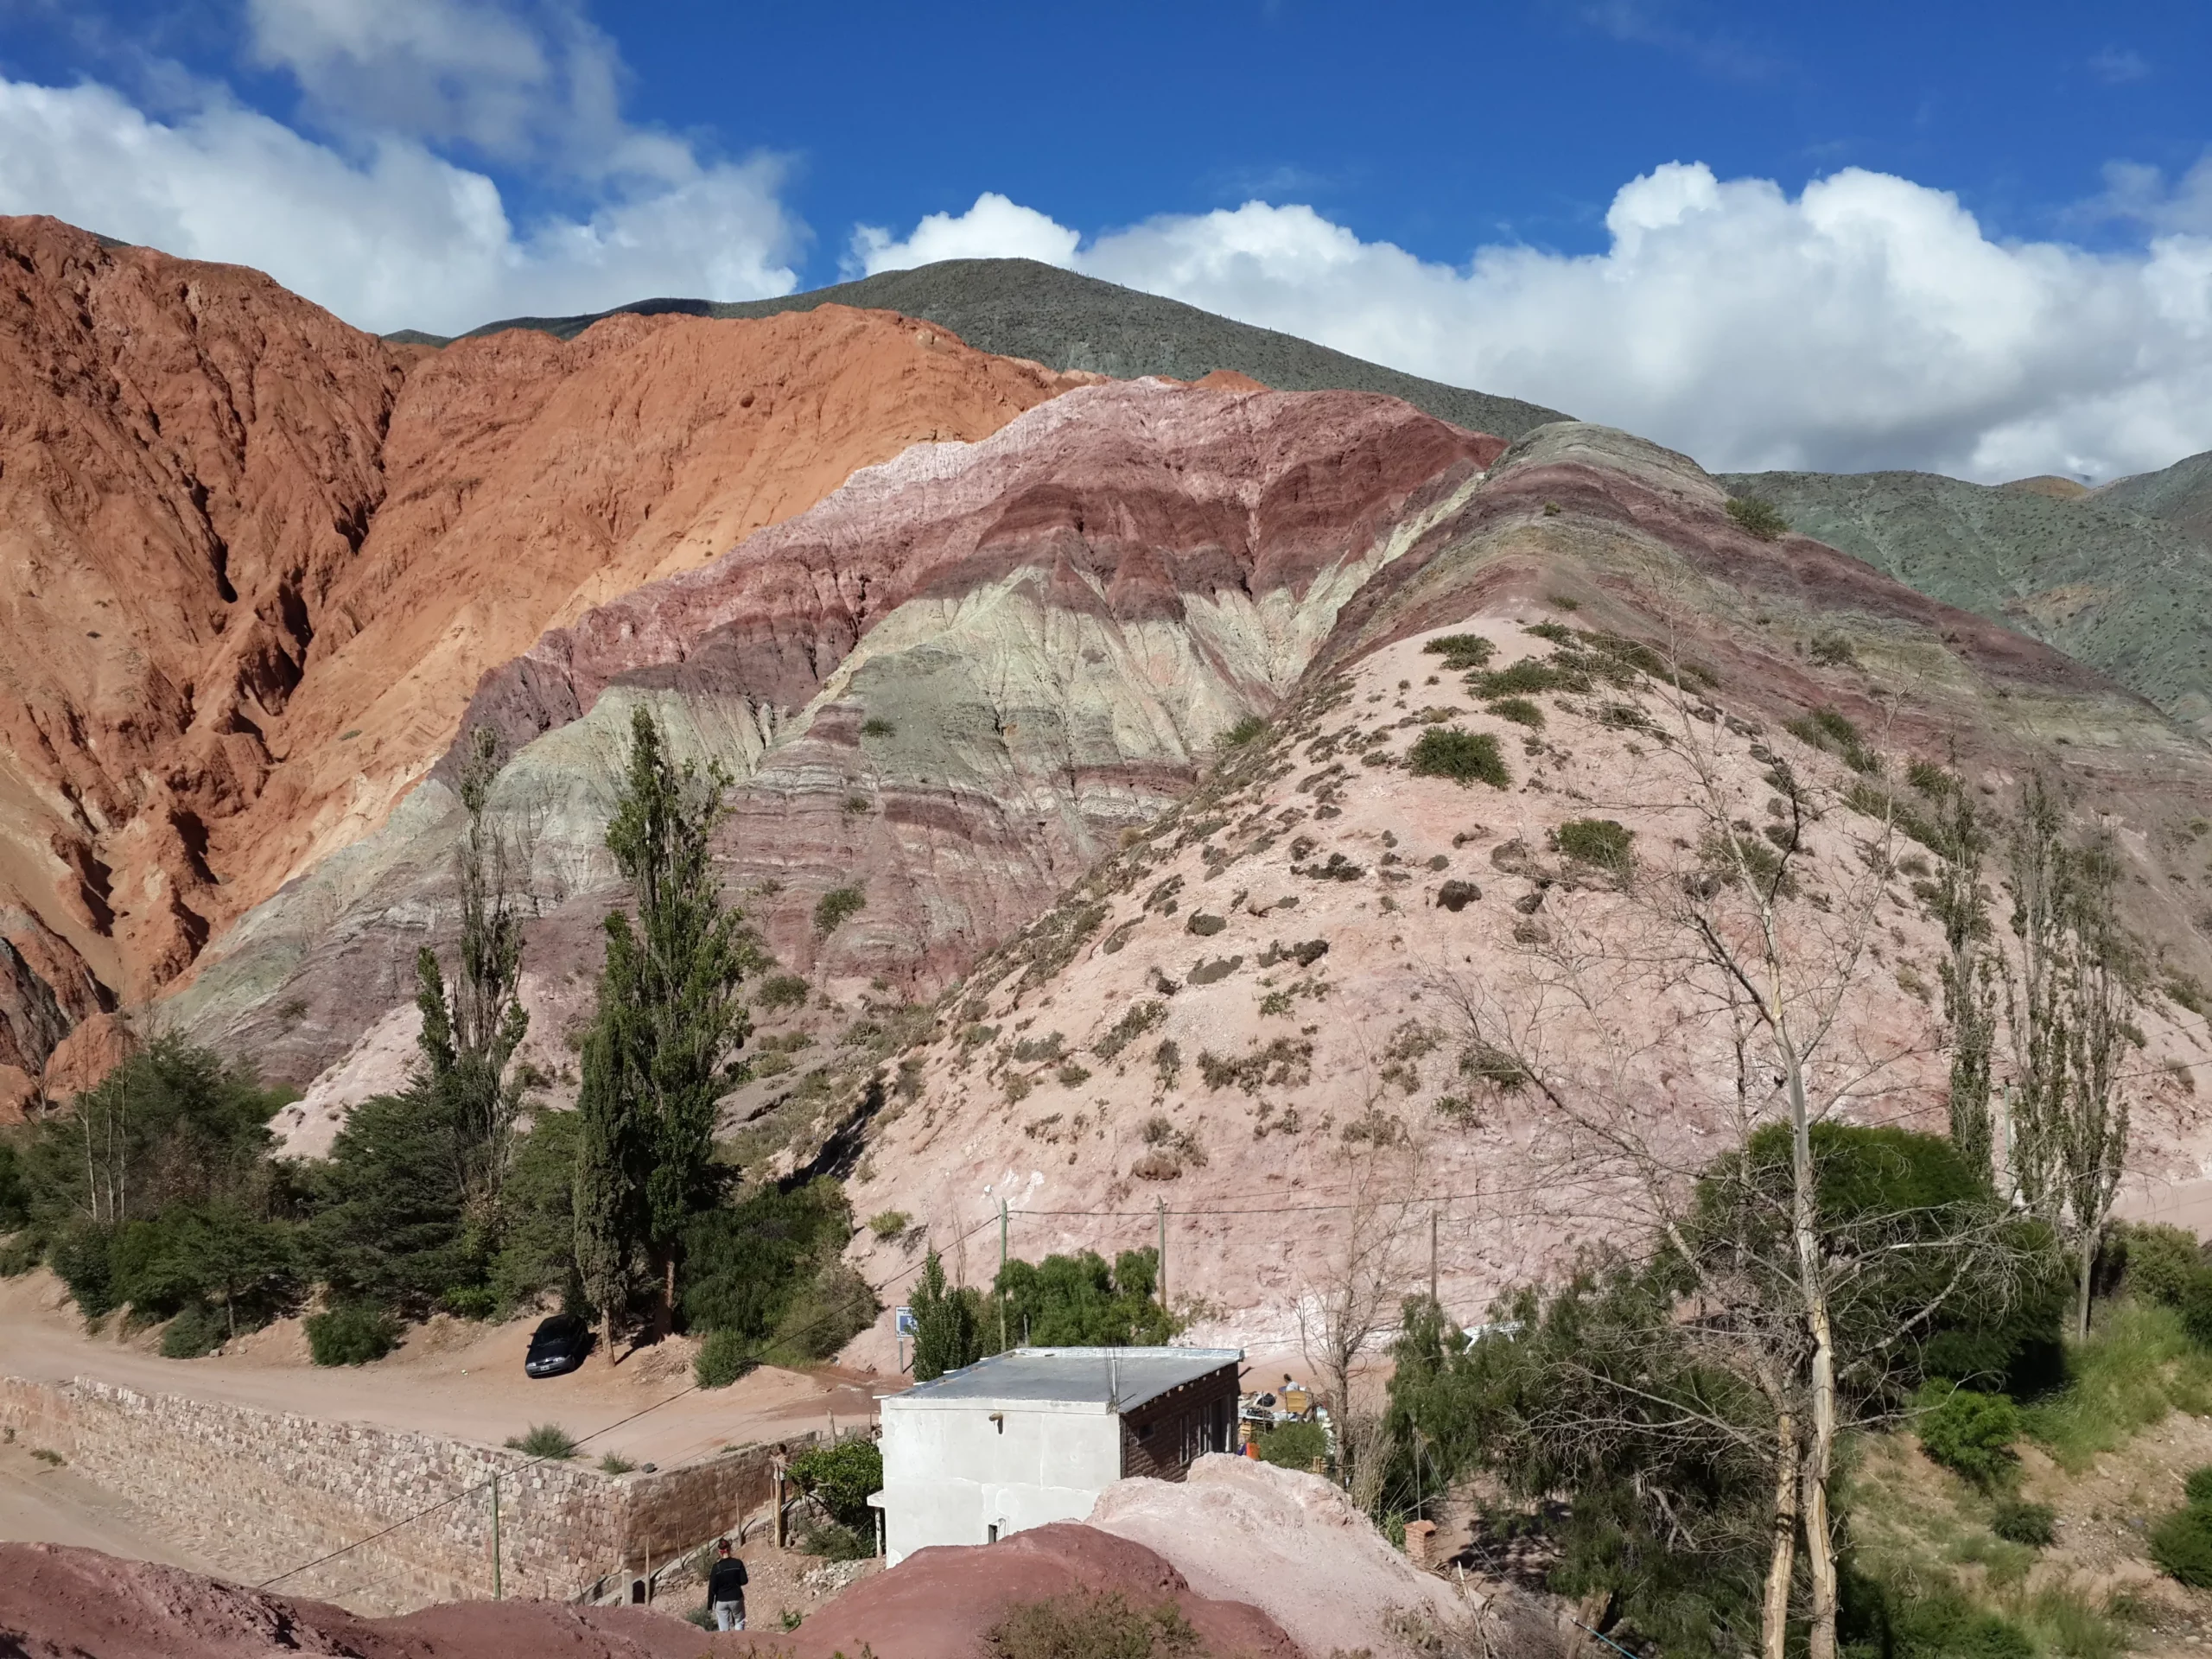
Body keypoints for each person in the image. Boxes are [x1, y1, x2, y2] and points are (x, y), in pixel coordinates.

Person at [707, 1538, 748, 1632]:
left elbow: (712, 1589)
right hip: (736, 1598)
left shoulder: (716, 1568)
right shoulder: (738, 1563)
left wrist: (710, 1606)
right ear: (730, 1549)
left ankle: (726, 1645)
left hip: (721, 1601)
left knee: (724, 1630)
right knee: (739, 1622)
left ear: (719, 1552)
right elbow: (744, 1581)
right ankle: (739, 1642)